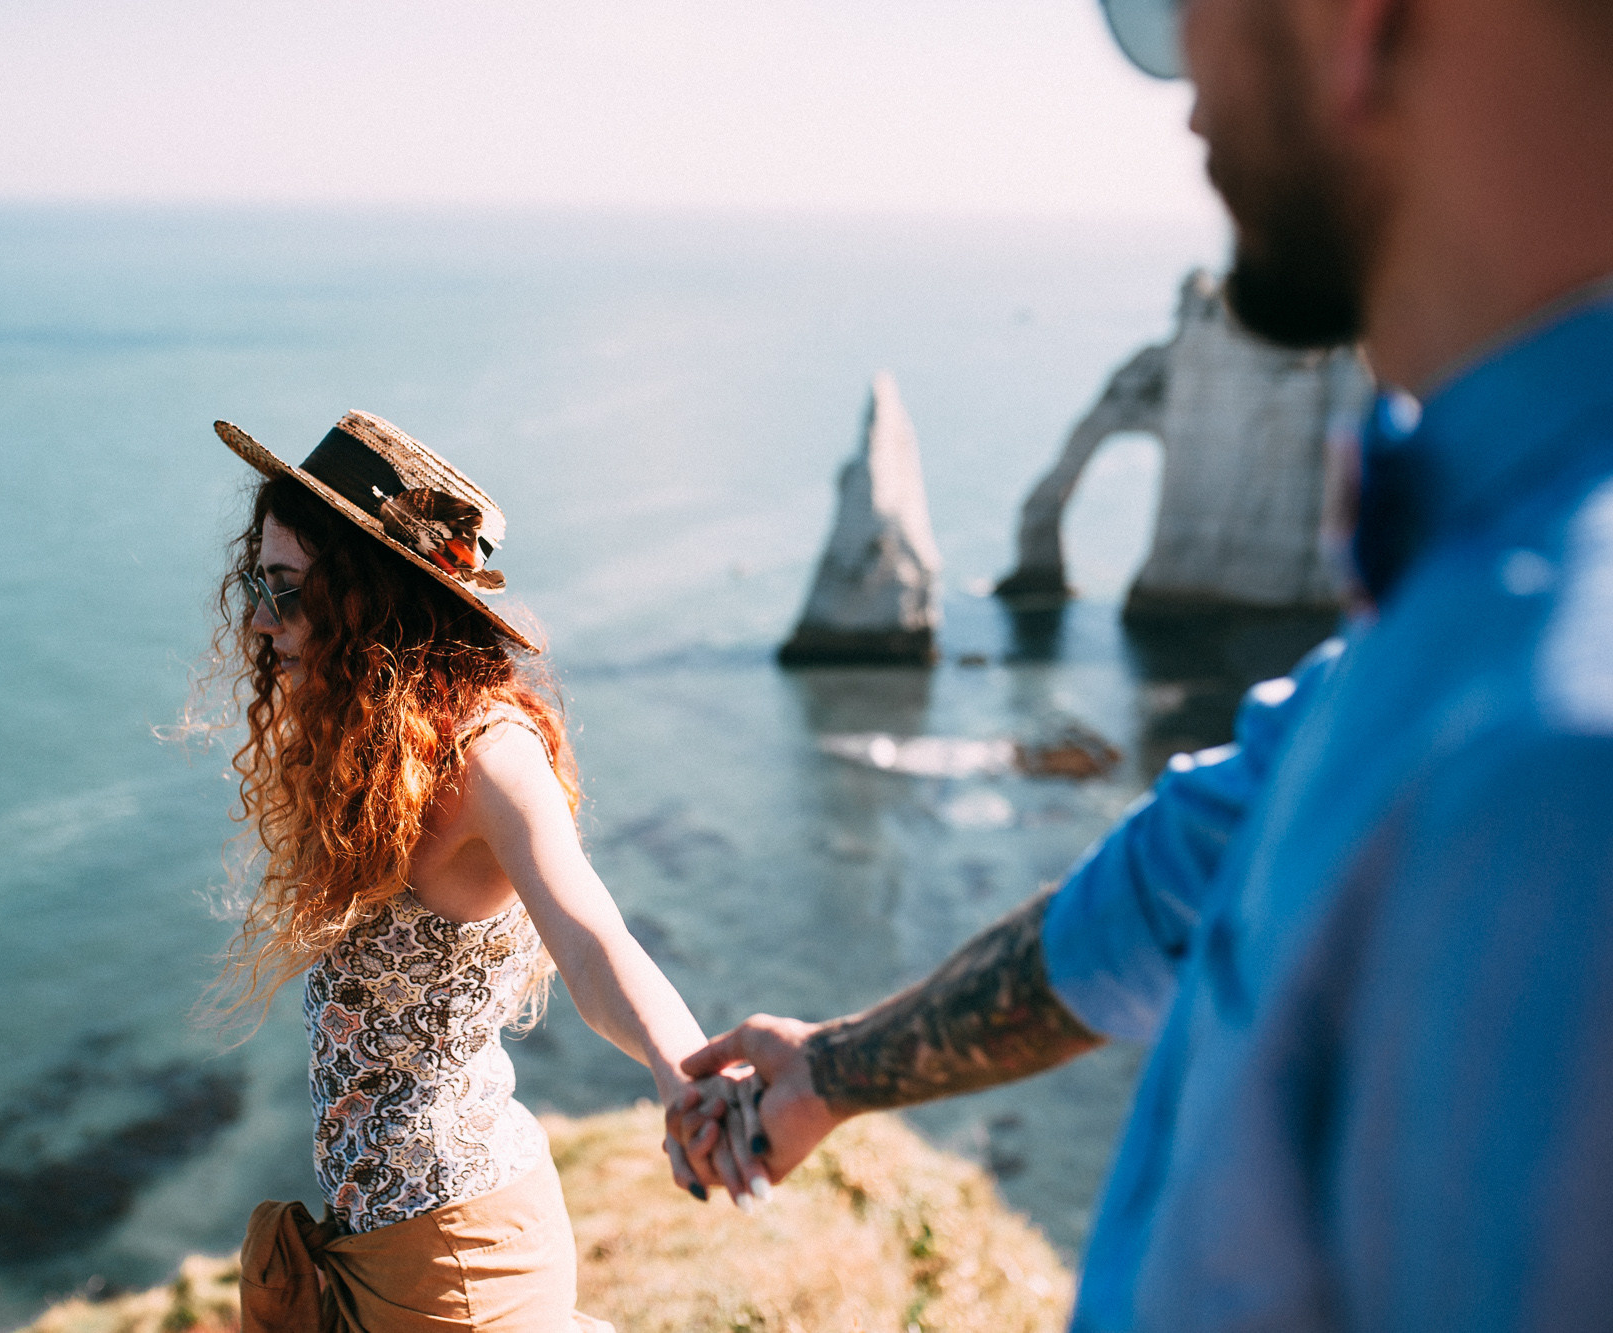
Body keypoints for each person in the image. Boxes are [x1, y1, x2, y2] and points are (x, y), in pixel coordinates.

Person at [677, 0, 1613, 1326]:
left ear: (1356, 23)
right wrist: (829, 1068)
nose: (1181, 101)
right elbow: (1153, 897)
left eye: (1184, 19)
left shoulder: (1550, 757)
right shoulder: (1444, 628)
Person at [205, 412, 761, 1333]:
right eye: (259, 581)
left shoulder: (489, 756)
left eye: (291, 591)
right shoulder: (373, 748)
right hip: (395, 1242)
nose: (262, 620)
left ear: (371, 600)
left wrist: (686, 1076)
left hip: (455, 1262)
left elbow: (592, 939)